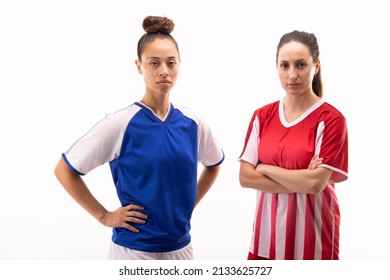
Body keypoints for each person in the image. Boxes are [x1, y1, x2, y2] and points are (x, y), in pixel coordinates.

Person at [54, 15, 224, 260]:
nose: (164, 71)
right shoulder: (121, 124)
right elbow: (64, 169)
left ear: (179, 65)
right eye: (154, 63)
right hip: (133, 251)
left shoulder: (193, 123)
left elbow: (213, 165)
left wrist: (188, 205)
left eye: (171, 63)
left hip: (181, 249)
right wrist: (104, 216)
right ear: (139, 66)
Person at [238, 30, 348, 260]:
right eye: (284, 65)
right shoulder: (262, 116)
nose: (292, 75)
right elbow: (245, 178)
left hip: (314, 243)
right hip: (265, 242)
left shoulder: (331, 120)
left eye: (300, 65)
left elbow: (316, 184)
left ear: (315, 66)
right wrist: (302, 178)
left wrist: (265, 168)